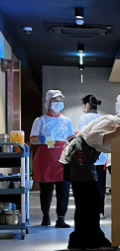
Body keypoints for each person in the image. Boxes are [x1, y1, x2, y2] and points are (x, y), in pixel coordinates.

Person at [60, 105, 120, 250]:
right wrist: (115, 132)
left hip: (84, 159)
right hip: (79, 157)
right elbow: (91, 138)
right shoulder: (112, 121)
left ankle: (79, 240)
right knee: (90, 201)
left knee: (86, 200)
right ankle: (94, 240)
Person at [30, 89, 75, 227]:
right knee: (46, 190)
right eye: (55, 100)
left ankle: (61, 218)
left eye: (60, 100)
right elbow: (32, 139)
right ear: (49, 102)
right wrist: (42, 139)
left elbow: (70, 137)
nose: (58, 103)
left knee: (64, 189)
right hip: (46, 158)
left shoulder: (67, 121)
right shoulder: (40, 120)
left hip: (63, 157)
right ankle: (46, 216)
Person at [76, 95, 107, 215]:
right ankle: (100, 211)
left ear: (87, 105)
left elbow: (80, 137)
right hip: (101, 157)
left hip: (87, 158)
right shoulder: (102, 118)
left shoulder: (83, 119)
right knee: (100, 186)